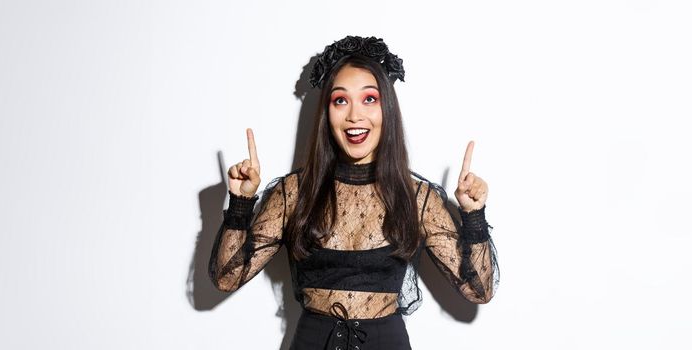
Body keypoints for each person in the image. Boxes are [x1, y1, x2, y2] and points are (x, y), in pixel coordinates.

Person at [209, 35, 499, 350]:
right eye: (341, 100)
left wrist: (473, 216)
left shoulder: (416, 197)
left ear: (386, 109)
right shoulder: (293, 193)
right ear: (327, 113)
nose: (354, 116)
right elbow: (227, 278)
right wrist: (240, 202)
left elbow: (479, 290)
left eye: (369, 99)